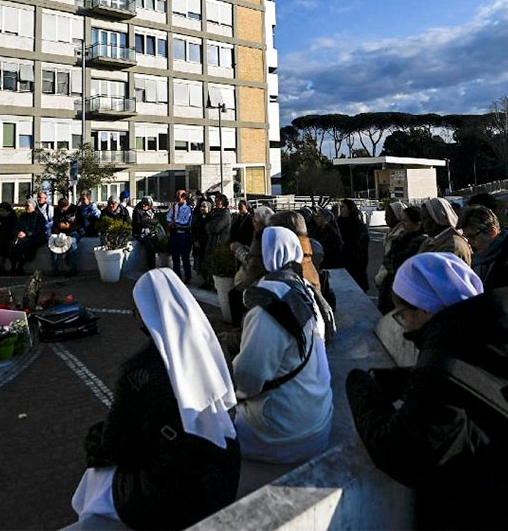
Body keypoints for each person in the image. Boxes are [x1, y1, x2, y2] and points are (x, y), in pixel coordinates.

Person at [347, 252, 508, 529]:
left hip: (481, 512)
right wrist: (404, 379)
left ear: (424, 309)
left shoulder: (442, 368)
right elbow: (478, 380)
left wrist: (360, 387)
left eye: (401, 315)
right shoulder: (504, 333)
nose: (404, 325)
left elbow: (399, 451)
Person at [71, 269, 241, 529]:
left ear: (146, 313)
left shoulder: (140, 372)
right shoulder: (212, 350)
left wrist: (96, 442)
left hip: (174, 495)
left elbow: (116, 446)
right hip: (224, 472)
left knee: (95, 482)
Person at [233, 227, 332, 463]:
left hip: (285, 436)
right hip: (318, 421)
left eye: (253, 256)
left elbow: (248, 378)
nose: (247, 261)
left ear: (267, 260)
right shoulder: (302, 288)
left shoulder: (267, 308)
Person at [377, 204, 427, 314]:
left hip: (405, 290)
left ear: (417, 223)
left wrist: (393, 265)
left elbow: (401, 262)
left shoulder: (420, 241)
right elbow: (387, 258)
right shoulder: (402, 237)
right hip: (391, 284)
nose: (402, 224)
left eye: (406, 221)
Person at [458, 205, 508, 291]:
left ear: (492, 232)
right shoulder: (475, 257)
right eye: (466, 237)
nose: (469, 242)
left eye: (472, 236)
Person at [417, 197, 473, 265]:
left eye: (425, 219)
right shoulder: (429, 241)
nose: (422, 224)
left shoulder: (452, 245)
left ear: (438, 218)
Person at [336, 199, 370, 292]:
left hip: (355, 262)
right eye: (340, 207)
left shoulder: (357, 224)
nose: (340, 209)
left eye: (343, 207)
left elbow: (361, 244)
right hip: (341, 262)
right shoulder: (338, 222)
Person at [10, 199, 47, 275]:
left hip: (33, 237)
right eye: (25, 206)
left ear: (33, 206)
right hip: (21, 237)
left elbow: (40, 230)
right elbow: (16, 227)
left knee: (25, 246)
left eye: (28, 206)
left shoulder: (39, 216)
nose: (26, 207)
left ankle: (20, 267)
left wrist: (27, 234)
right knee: (12, 244)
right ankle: (13, 268)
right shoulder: (23, 216)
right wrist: (18, 233)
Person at [166, 190, 194, 282]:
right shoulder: (174, 206)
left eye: (180, 196)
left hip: (183, 234)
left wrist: (176, 223)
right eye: (177, 195)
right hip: (174, 234)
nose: (178, 198)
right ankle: (177, 275)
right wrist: (170, 222)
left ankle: (188, 276)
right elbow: (168, 216)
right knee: (175, 256)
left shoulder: (188, 208)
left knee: (185, 256)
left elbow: (187, 222)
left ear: (184, 197)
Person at [310, 209, 345, 277]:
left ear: (325, 219)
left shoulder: (332, 233)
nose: (316, 218)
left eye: (319, 216)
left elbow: (335, 251)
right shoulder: (316, 230)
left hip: (329, 264)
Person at [51, 196, 80, 275]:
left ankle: (73, 269)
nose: (61, 210)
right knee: (53, 243)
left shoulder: (76, 209)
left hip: (73, 231)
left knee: (73, 243)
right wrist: (56, 234)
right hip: (60, 232)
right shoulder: (56, 210)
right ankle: (55, 269)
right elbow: (55, 224)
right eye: (60, 208)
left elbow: (80, 225)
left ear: (67, 205)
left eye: (63, 208)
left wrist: (69, 227)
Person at [131, 196, 159, 268]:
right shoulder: (137, 211)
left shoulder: (152, 211)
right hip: (140, 234)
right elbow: (140, 223)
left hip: (151, 232)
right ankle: (151, 267)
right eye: (143, 203)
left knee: (156, 242)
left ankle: (154, 264)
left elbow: (156, 220)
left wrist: (148, 221)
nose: (144, 205)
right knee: (150, 247)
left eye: (146, 204)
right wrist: (150, 222)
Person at [190, 197, 212, 283]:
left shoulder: (211, 218)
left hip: (206, 244)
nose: (202, 208)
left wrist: (201, 241)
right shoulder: (197, 218)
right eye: (201, 206)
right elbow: (193, 230)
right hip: (197, 244)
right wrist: (195, 240)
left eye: (204, 207)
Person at [205, 194, 233, 261]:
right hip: (213, 243)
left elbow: (216, 228)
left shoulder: (225, 213)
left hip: (220, 244)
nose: (216, 201)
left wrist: (209, 226)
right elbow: (207, 224)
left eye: (218, 200)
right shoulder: (215, 212)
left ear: (222, 202)